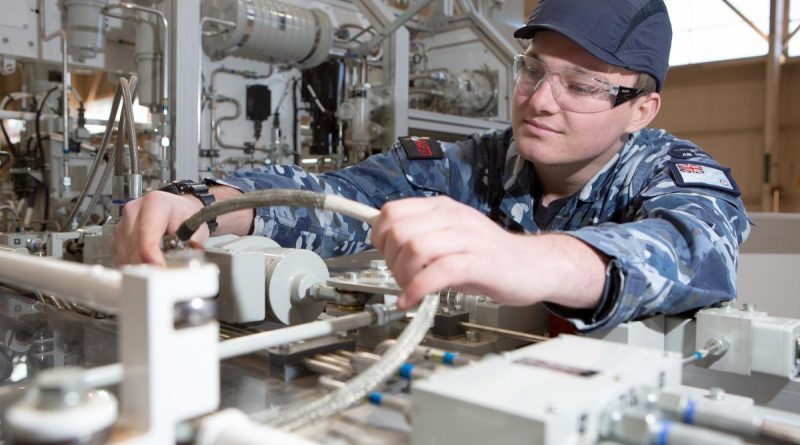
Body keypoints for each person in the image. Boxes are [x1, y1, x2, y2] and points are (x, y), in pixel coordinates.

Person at [112, 0, 750, 332]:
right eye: (532, 70)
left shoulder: (669, 172)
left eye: (581, 86)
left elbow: (698, 249)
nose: (539, 100)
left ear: (641, 110)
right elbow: (335, 198)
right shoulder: (472, 166)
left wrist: (529, 259)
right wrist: (211, 202)